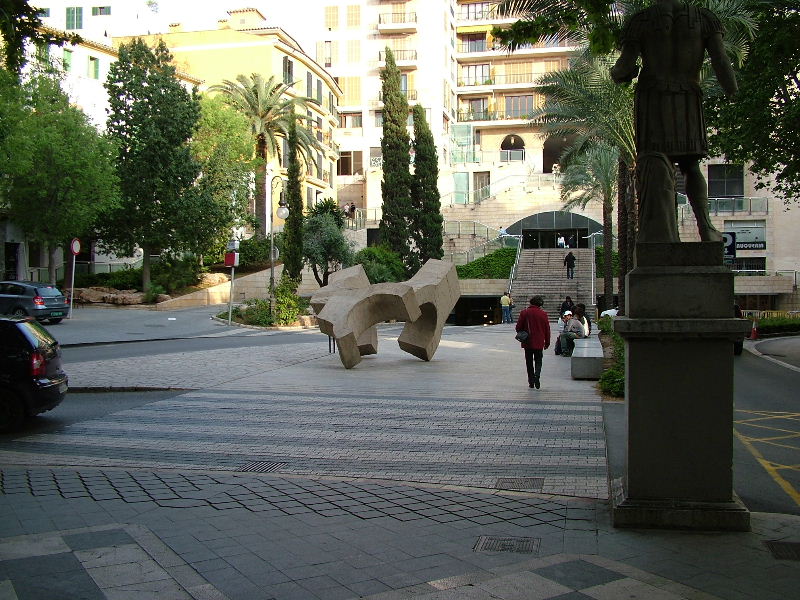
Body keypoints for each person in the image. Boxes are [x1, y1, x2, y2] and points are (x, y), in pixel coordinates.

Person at [610, 0, 738, 243]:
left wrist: (618, 74)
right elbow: (721, 61)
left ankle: (661, 233)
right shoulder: (704, 18)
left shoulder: (641, 20)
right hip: (687, 96)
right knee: (691, 166)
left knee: (657, 161)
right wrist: (733, 92)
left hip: (653, 99)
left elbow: (623, 67)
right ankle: (706, 227)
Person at [516, 296, 551, 389]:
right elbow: (547, 329)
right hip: (539, 341)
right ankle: (537, 375)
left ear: (531, 302)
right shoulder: (543, 314)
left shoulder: (524, 312)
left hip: (528, 341)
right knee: (538, 360)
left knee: (529, 362)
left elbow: (518, 327)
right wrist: (547, 342)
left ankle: (531, 381)